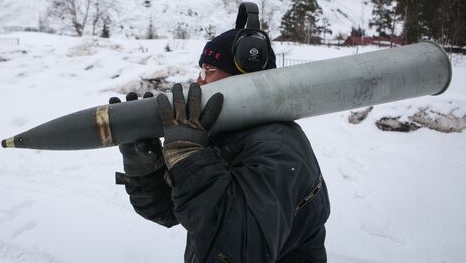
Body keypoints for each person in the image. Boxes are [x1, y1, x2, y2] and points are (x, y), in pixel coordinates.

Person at [111, 24, 330, 263]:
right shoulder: (228, 134)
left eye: (209, 70)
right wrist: (147, 171)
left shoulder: (279, 149)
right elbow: (175, 212)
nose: (198, 82)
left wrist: (189, 159)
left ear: (246, 78)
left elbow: (235, 252)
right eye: (200, 71)